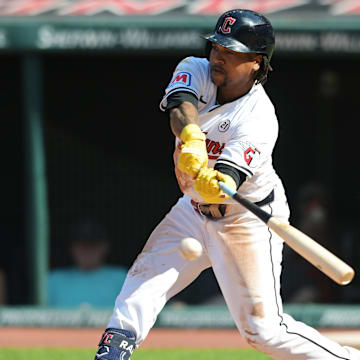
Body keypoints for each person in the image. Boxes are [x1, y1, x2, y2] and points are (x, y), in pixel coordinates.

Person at [94, 9, 360, 359]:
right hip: (191, 211)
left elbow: (226, 185)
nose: (218, 55)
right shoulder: (195, 68)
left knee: (264, 332)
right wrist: (190, 136)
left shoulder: (260, 119)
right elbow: (179, 106)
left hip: (244, 218)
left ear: (256, 63)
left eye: (231, 52)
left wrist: (212, 182)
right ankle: (112, 353)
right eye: (217, 46)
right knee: (142, 282)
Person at [48, 219, 127, 308]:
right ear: (72, 247)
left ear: (105, 247)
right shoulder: (54, 280)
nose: (87, 250)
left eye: (93, 245)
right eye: (82, 245)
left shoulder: (121, 279)